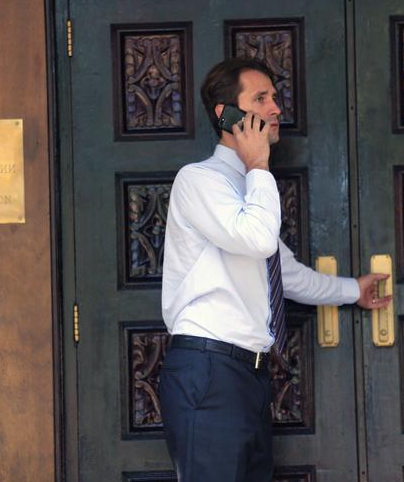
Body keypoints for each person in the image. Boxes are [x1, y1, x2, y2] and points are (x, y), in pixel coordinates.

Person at [159, 57, 390, 482]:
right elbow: (259, 239)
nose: (275, 108)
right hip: (208, 371)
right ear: (226, 116)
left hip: (246, 375)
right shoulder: (200, 180)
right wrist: (259, 165)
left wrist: (351, 290)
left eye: (275, 97)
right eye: (260, 99)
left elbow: (285, 272)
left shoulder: (246, 192)